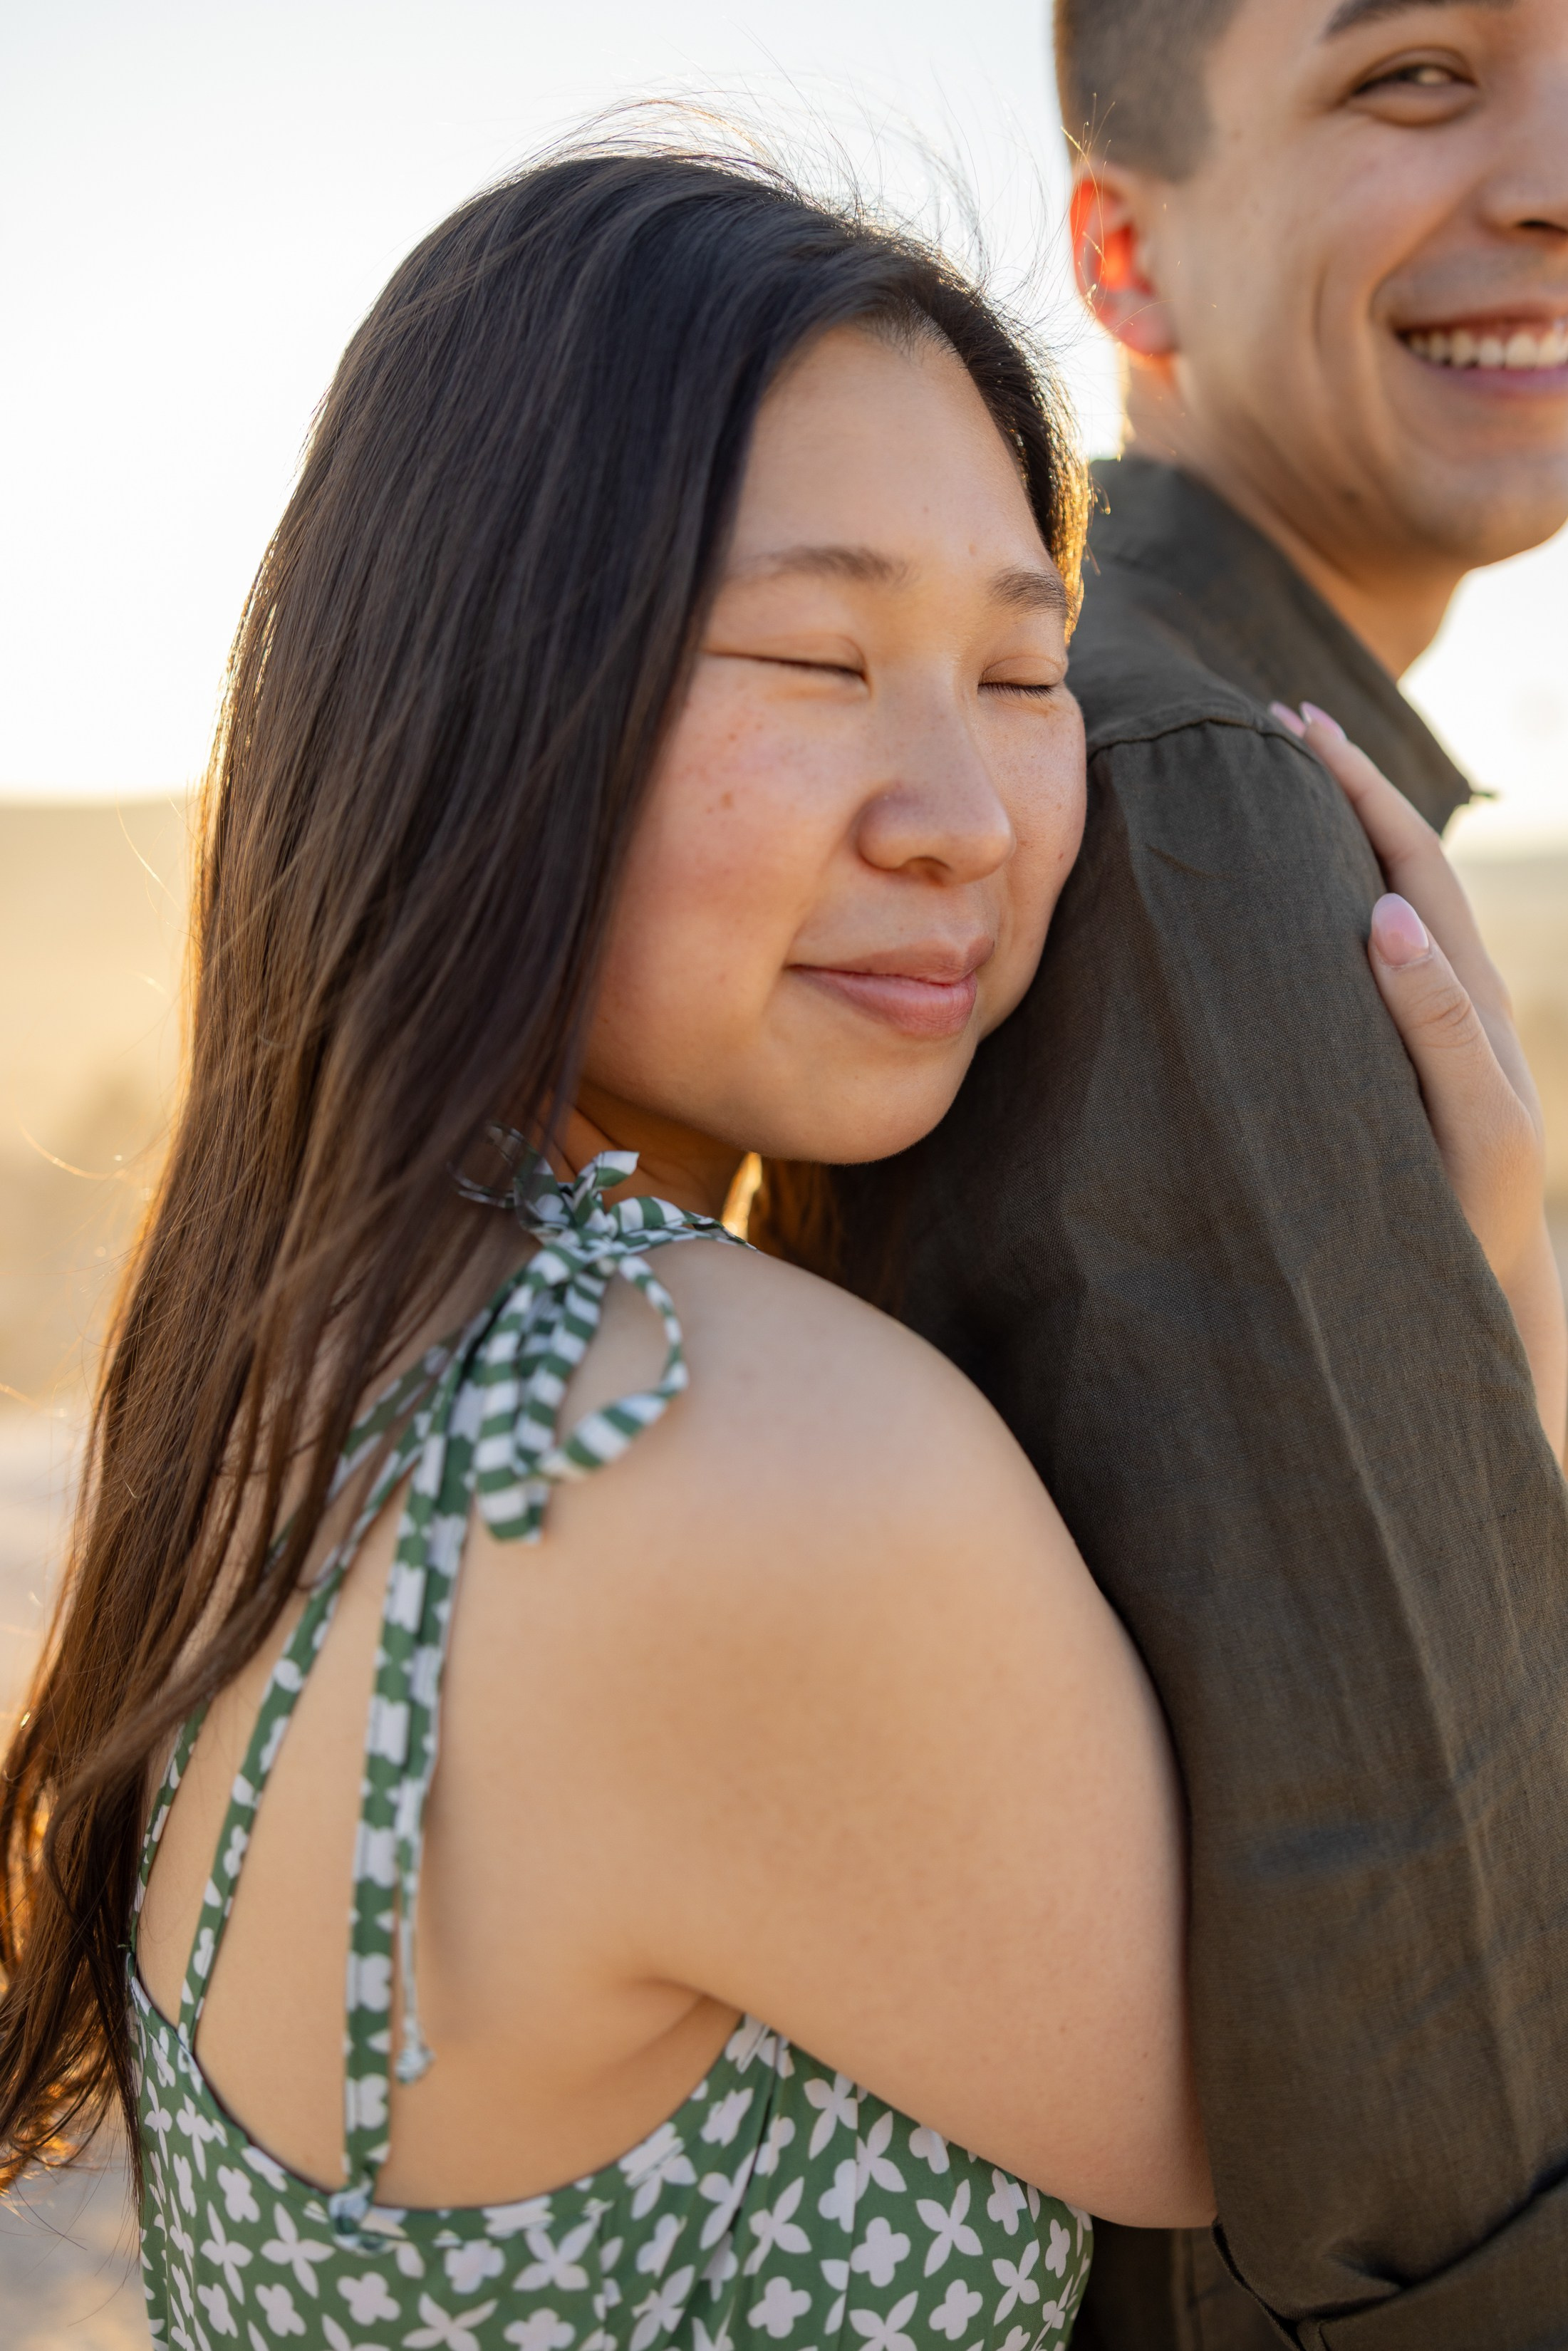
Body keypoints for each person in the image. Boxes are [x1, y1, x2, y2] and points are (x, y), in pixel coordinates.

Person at [0, 137, 1547, 2351]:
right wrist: (1473, 1302)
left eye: (1024, 677)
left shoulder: (317, 1352)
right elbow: (1386, 2075)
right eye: (817, 655)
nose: (961, 815)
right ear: (482, 693)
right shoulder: (719, 1450)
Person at [772, 4, 1568, 2344]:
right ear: (1119, 251)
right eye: (1414, 73)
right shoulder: (1189, 785)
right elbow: (1418, 2044)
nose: (1552, 171)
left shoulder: (1158, 736)